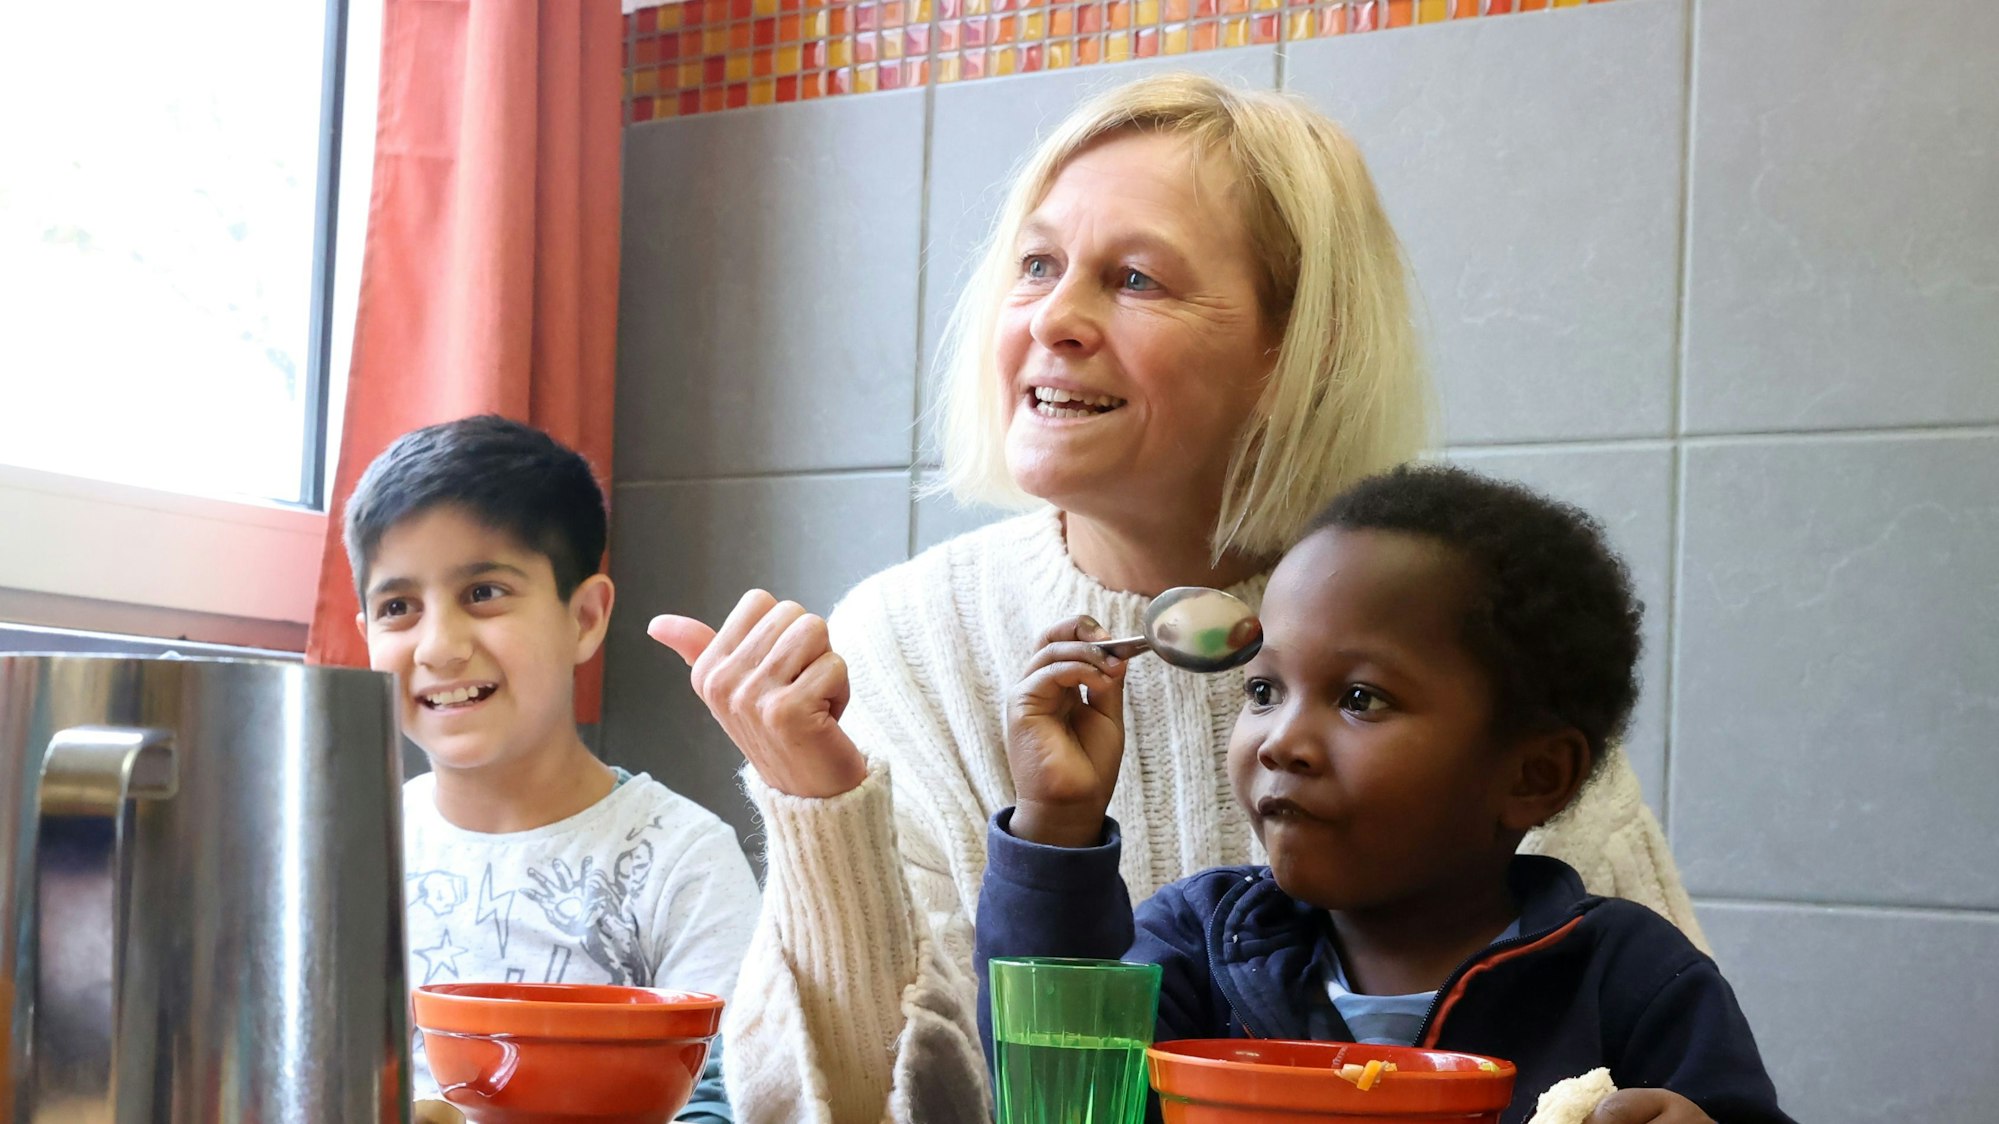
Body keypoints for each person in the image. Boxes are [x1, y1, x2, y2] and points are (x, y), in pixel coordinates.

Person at [652, 73, 1701, 1124]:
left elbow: (1661, 1070)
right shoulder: (904, 640)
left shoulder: (1467, 623)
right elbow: (852, 1104)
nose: (1054, 318)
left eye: (1136, 278)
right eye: (1036, 264)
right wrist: (820, 810)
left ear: (1299, 351)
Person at [976, 465, 1791, 1124]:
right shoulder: (1195, 948)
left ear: (1531, 776)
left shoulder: (1631, 982)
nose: (1282, 740)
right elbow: (1059, 1091)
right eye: (1263, 692)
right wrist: (1055, 825)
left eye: (1359, 699)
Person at [347, 415, 757, 1121]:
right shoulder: (352, 853)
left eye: (483, 593)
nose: (438, 647)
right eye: (398, 608)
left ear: (586, 617)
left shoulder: (681, 860)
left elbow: (724, 1101)